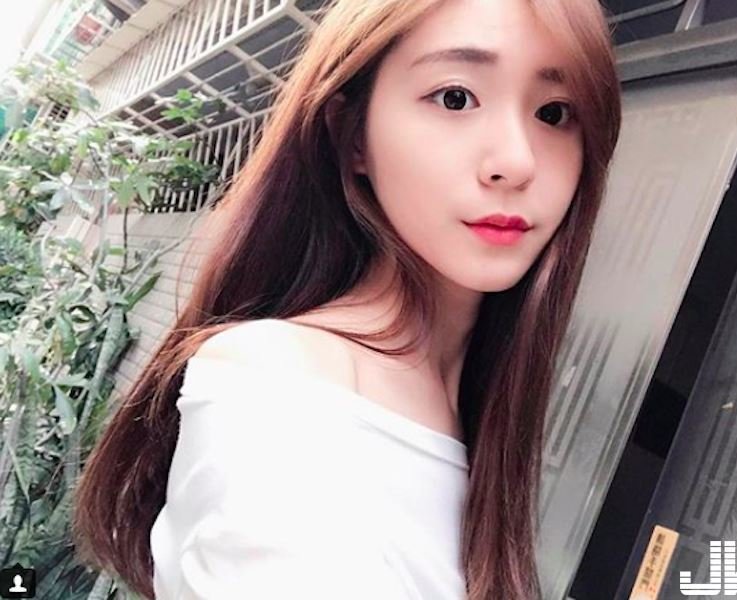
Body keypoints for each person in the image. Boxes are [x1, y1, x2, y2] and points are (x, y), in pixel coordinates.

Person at [72, 0, 622, 598]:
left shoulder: (476, 400)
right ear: (352, 134)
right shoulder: (282, 394)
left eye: (554, 113)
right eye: (455, 98)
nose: (516, 162)